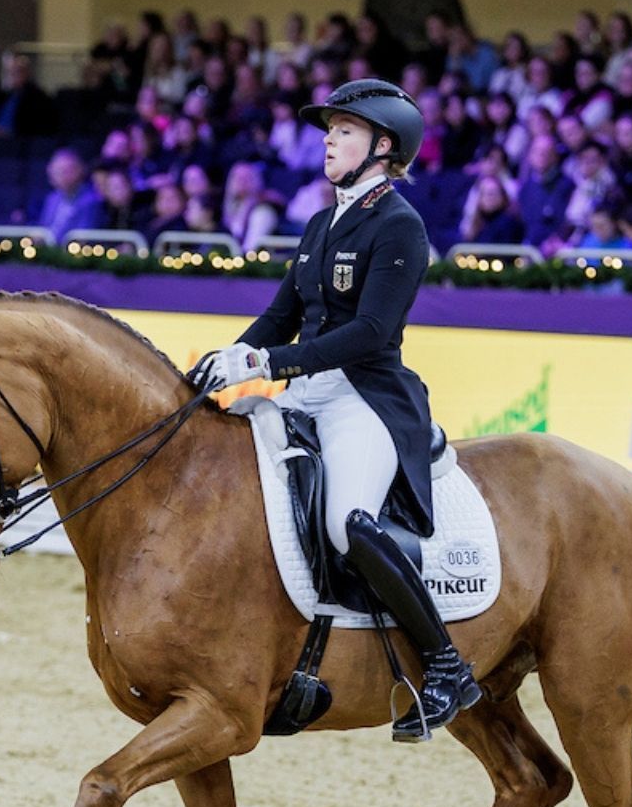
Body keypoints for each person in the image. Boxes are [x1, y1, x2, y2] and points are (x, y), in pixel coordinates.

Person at [191, 79, 480, 742]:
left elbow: (372, 331)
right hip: (307, 390)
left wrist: (267, 366)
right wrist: (226, 358)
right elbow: (281, 314)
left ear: (383, 147)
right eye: (329, 129)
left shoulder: (400, 225)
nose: (327, 138)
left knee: (347, 521)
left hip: (366, 398)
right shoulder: (323, 224)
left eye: (344, 131)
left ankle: (444, 664)